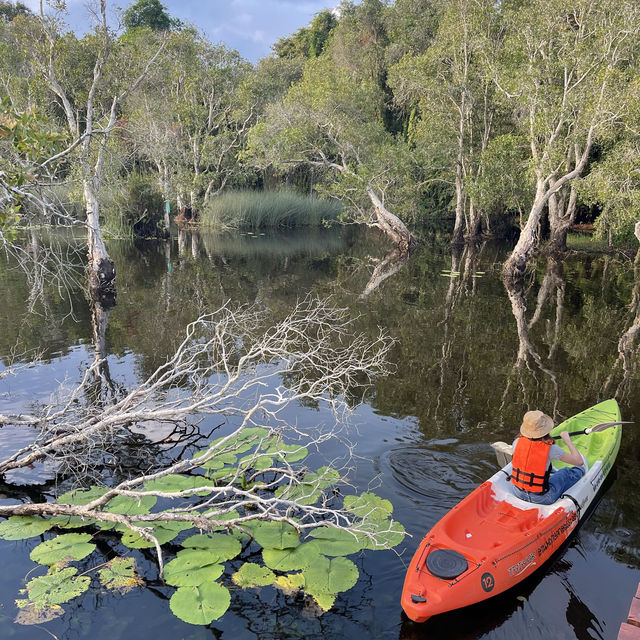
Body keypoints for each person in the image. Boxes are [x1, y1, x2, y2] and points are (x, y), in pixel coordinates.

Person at [510, 410, 586, 505]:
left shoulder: (517, 442)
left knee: (547, 469)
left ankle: (552, 473)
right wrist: (567, 440)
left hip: (517, 492)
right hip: (543, 498)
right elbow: (579, 461)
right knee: (566, 471)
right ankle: (581, 472)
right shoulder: (551, 449)